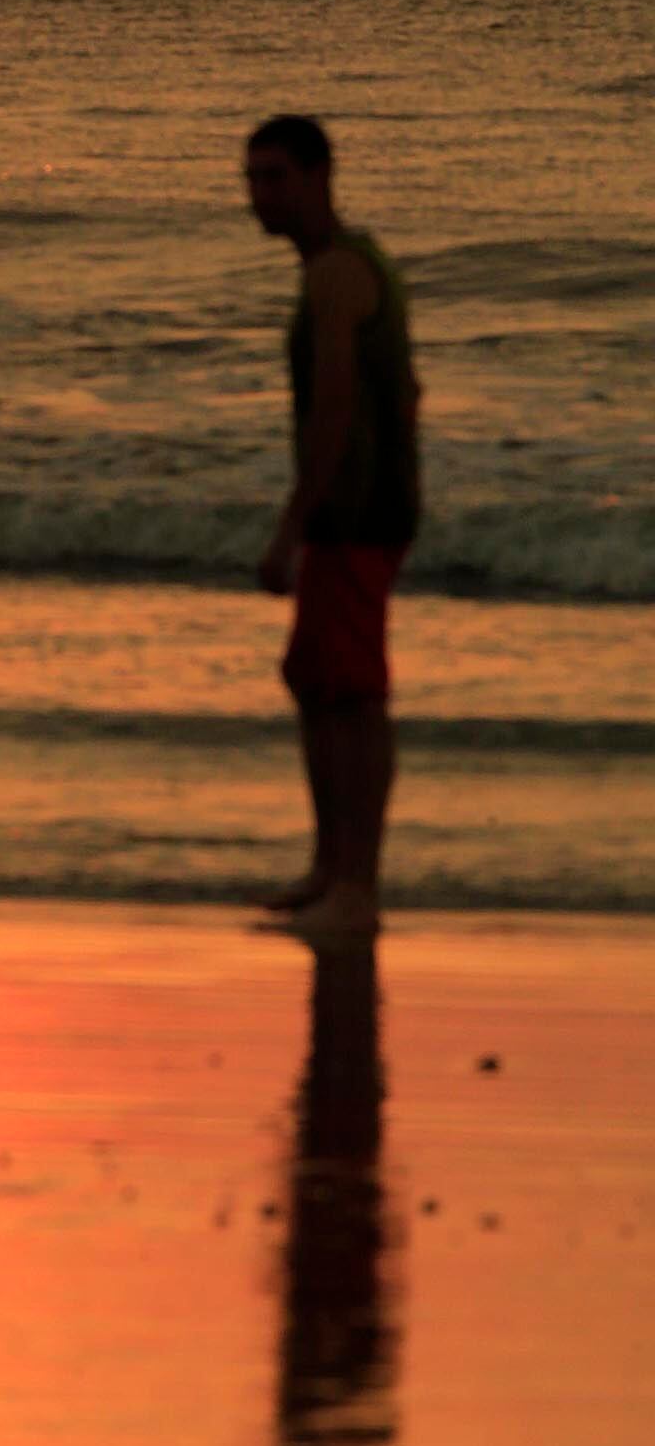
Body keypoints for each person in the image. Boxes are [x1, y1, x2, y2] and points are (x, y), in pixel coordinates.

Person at [244, 113, 420, 944]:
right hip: (356, 508)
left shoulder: (338, 275)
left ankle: (356, 885)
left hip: (355, 514)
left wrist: (292, 526)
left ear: (319, 176)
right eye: (254, 177)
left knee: (351, 691)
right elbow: (403, 390)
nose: (260, 193)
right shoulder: (344, 267)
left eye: (276, 176)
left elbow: (337, 410)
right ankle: (330, 870)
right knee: (317, 680)